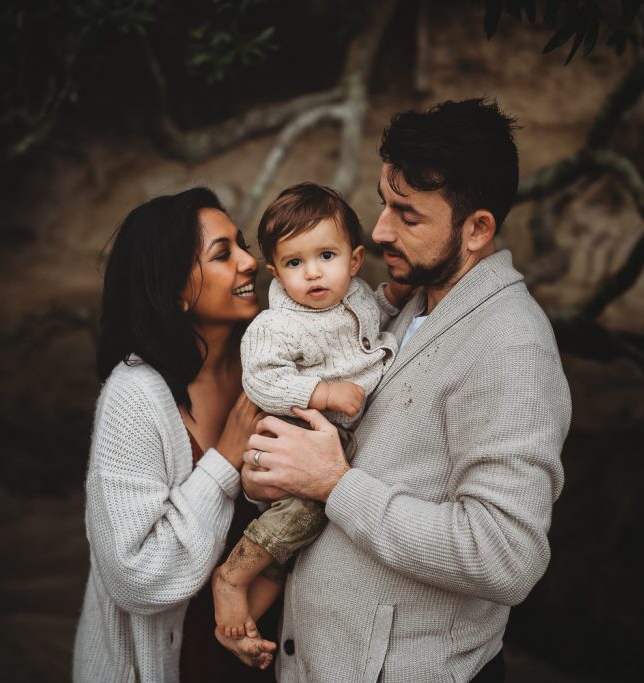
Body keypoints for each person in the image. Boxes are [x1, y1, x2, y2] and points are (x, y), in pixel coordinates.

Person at [222, 98, 572, 681]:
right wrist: (276, 476)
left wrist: (335, 485)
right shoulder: (402, 305)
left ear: (478, 229)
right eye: (385, 204)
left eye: (407, 216)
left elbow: (506, 556)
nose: (380, 230)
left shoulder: (511, 349)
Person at [73, 187, 278, 682]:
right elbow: (134, 574)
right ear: (176, 291)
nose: (251, 262)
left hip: (266, 651)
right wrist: (224, 461)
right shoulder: (135, 397)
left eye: (242, 244)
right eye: (223, 254)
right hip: (174, 666)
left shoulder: (269, 363)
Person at [211, 182, 408, 640]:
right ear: (276, 273)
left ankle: (244, 627)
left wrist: (393, 299)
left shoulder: (355, 294)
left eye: (326, 257)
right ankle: (232, 578)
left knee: (298, 545)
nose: (313, 274)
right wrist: (322, 392)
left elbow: (364, 320)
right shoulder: (277, 325)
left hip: (332, 443)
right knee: (303, 516)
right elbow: (262, 379)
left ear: (354, 260)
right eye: (295, 263)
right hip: (296, 438)